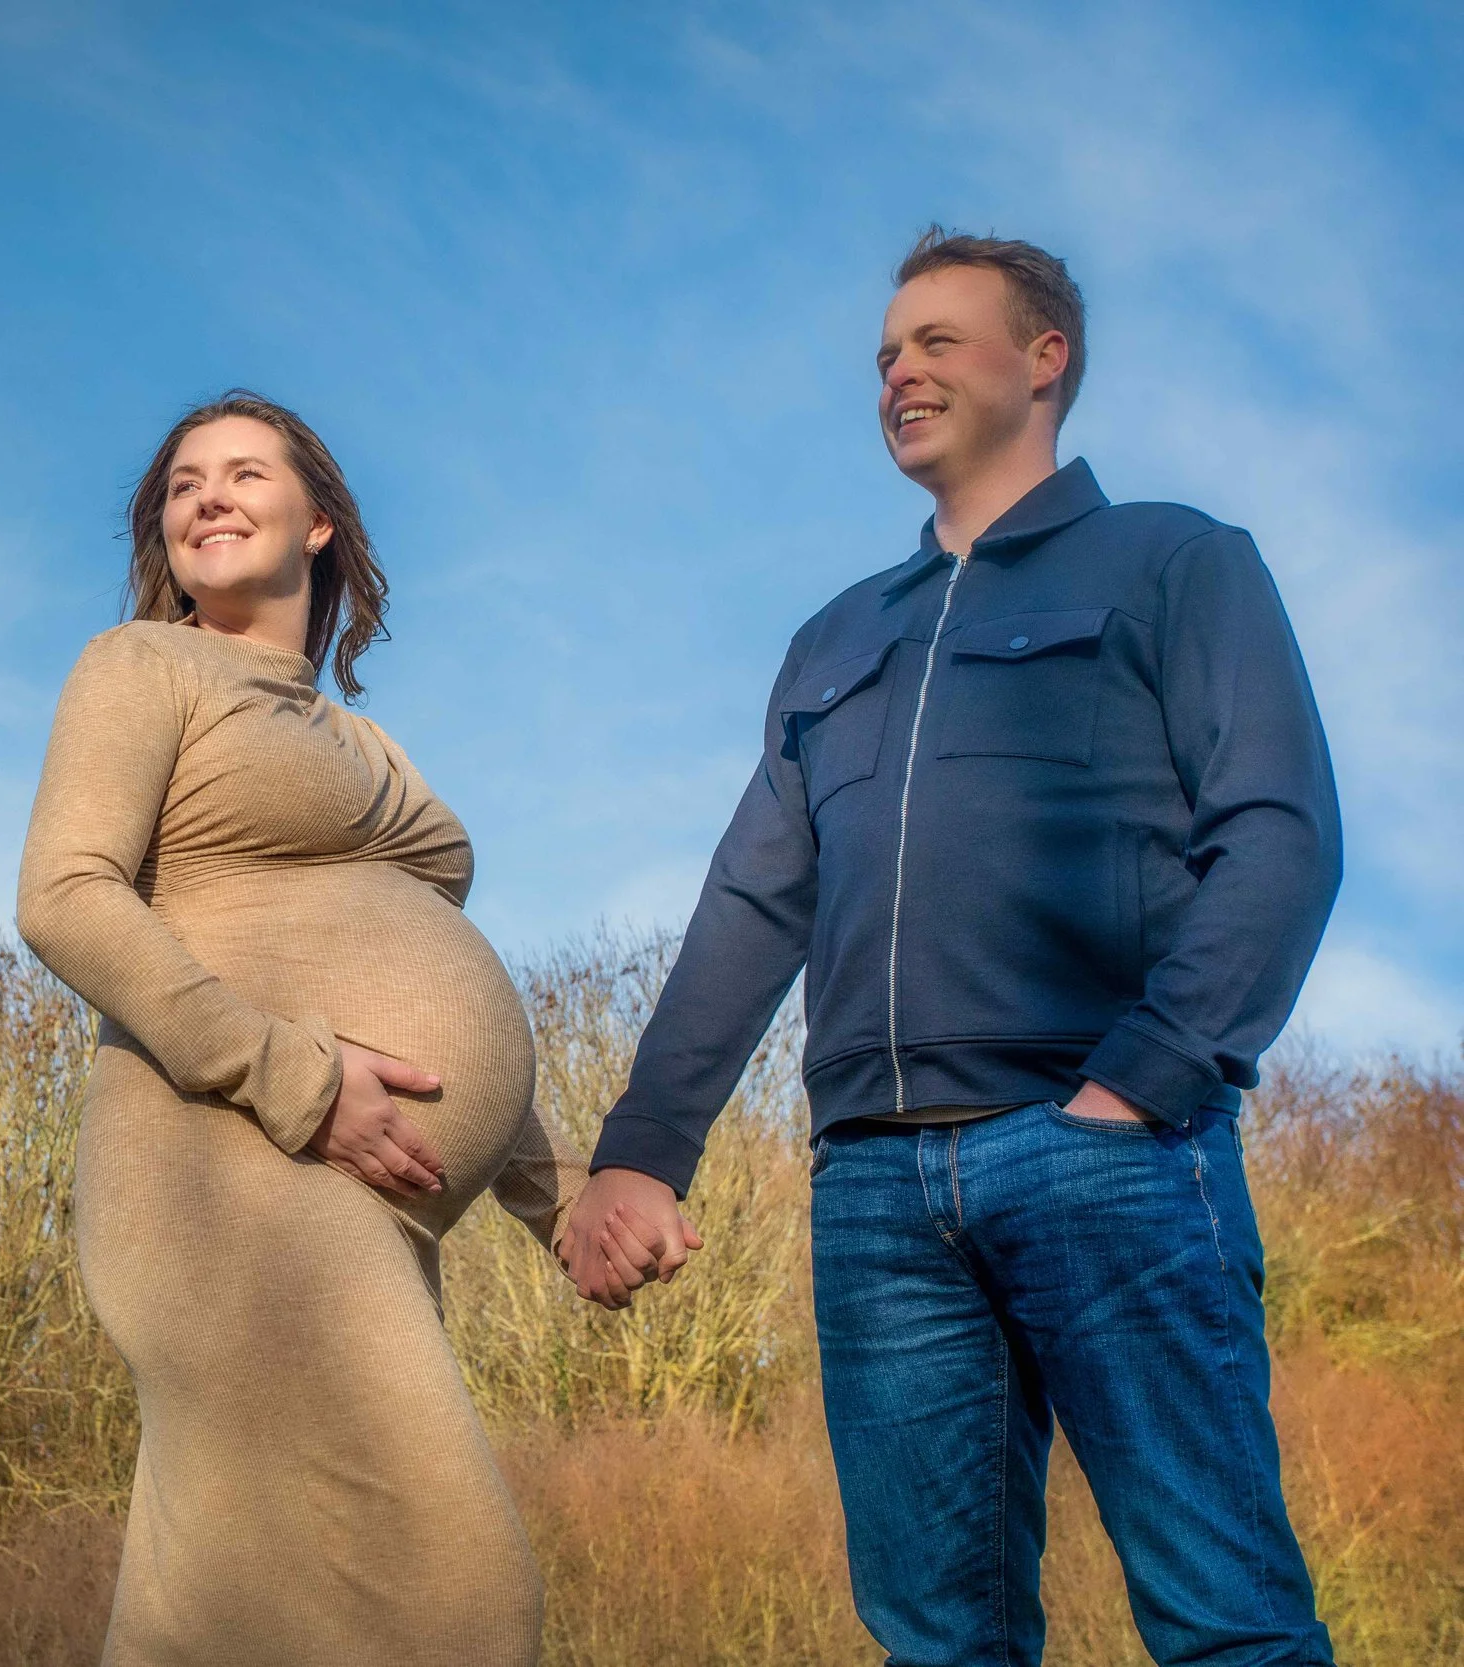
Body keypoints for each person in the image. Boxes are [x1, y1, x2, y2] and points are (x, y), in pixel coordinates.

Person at [561, 229, 1341, 1665]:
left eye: (935, 341)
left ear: (1045, 360)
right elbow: (753, 899)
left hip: (1104, 1149)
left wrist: (1144, 1084)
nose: (897, 371)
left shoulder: (1176, 559)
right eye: (883, 354)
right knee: (936, 1642)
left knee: (1226, 1619)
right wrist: (642, 1144)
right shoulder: (837, 635)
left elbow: (1281, 835)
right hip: (873, 1189)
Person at [18, 391, 585, 1666]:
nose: (206, 494)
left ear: (319, 521)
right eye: (181, 483)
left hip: (357, 1197)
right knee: (455, 1605)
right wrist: (293, 1075)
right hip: (234, 1174)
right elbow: (63, 895)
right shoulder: (144, 665)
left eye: (242, 472)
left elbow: (432, 1005)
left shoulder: (356, 734)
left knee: (216, 1618)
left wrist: (560, 1199)